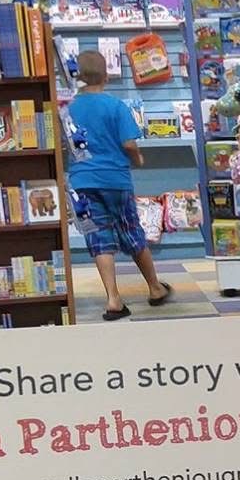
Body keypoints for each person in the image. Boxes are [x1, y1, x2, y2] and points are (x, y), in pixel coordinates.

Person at [67, 50, 173, 320]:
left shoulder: (68, 109)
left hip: (81, 181)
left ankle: (113, 299)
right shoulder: (116, 107)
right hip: (115, 179)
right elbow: (128, 144)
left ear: (77, 76)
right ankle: (154, 287)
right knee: (131, 232)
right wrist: (137, 158)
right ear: (106, 75)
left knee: (98, 238)